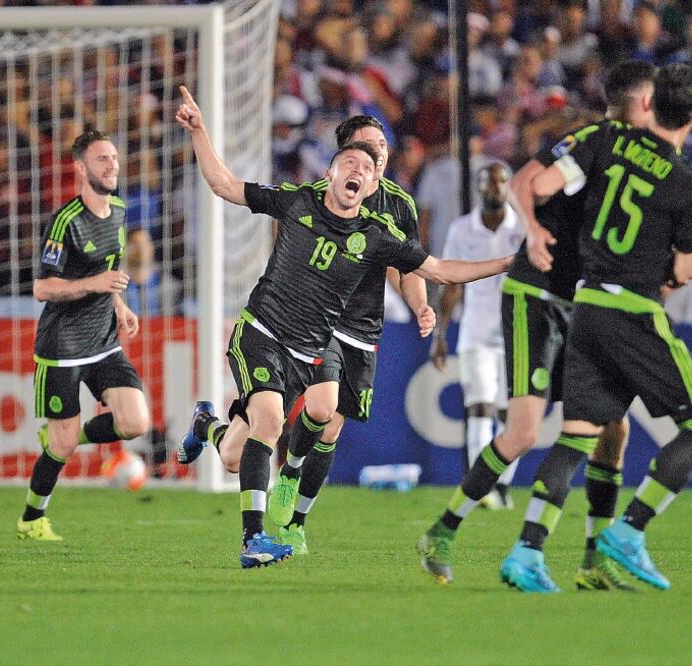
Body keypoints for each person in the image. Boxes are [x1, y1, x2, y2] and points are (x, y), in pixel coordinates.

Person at [174, 87, 512, 568]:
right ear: (329, 168)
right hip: (263, 332)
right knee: (277, 421)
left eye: (372, 161)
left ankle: (207, 427)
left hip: (313, 346)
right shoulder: (296, 201)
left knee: (236, 452)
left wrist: (509, 263)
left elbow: (435, 270)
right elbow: (227, 185)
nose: (362, 166)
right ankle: (256, 538)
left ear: (377, 178)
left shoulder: (381, 231)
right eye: (352, 159)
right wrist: (200, 131)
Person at [417, 60, 658, 591]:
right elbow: (530, 178)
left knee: (612, 428)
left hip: (584, 301)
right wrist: (531, 230)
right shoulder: (593, 144)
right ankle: (444, 529)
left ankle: (593, 558)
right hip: (538, 296)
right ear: (642, 104)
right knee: (524, 431)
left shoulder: (647, 159)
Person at [499, 63, 692, 592]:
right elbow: (686, 270)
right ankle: (629, 530)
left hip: (585, 307)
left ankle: (526, 553)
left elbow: (547, 184)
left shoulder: (606, 142)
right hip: (633, 309)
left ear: (650, 105)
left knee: (578, 435)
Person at [178, 115, 434, 558]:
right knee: (320, 411)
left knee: (236, 454)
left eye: (382, 145)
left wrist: (420, 305)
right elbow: (235, 190)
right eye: (366, 145)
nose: (378, 152)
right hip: (310, 323)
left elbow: (410, 267)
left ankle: (216, 433)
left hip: (360, 329)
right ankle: (289, 482)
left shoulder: (399, 206)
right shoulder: (314, 197)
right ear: (340, 157)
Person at [17, 129, 150, 541]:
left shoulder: (122, 210)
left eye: (113, 158)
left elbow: (109, 272)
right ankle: (32, 518)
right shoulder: (66, 222)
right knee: (61, 447)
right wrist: (94, 285)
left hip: (104, 341)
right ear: (80, 167)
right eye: (101, 160)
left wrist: (121, 306)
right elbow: (42, 288)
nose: (111, 166)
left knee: (136, 421)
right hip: (63, 348)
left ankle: (69, 432)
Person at [430, 163, 523, 511]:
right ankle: (479, 485)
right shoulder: (461, 229)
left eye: (500, 183)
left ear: (509, 187)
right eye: (488, 183)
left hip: (517, 332)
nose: (494, 189)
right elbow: (452, 281)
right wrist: (440, 334)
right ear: (479, 188)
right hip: (476, 331)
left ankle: (502, 485)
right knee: (479, 407)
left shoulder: (524, 229)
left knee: (510, 415)